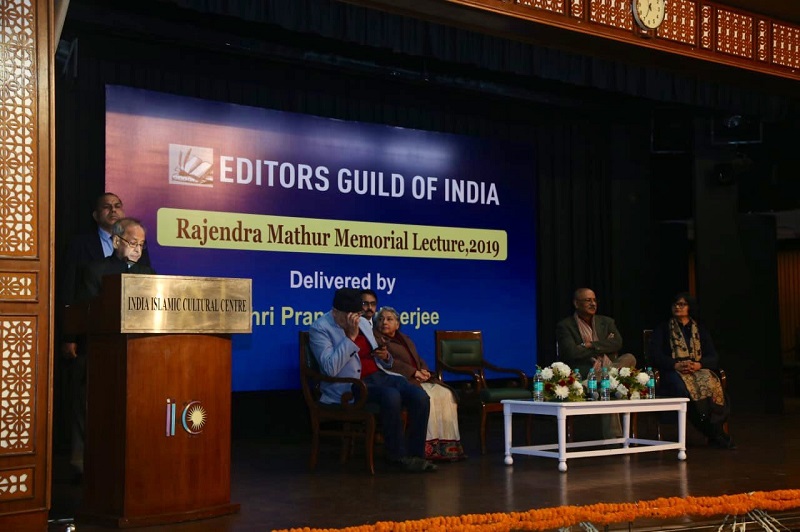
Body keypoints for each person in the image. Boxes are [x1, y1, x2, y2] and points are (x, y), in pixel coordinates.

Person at [58, 193, 151, 480]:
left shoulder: (147, 272)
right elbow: (79, 301)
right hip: (98, 347)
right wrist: (69, 334)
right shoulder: (93, 267)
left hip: (134, 350)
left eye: (140, 245)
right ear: (116, 242)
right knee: (86, 406)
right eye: (132, 244)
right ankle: (80, 464)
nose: (136, 249)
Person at [309, 288, 437, 473]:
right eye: (348, 316)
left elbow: (379, 356)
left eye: (357, 315)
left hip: (379, 375)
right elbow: (330, 368)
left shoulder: (363, 322)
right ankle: (397, 456)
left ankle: (416, 456)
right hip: (350, 385)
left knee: (420, 396)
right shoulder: (320, 328)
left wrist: (386, 357)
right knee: (391, 396)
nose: (354, 320)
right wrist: (351, 337)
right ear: (335, 312)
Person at [374, 306, 466, 462]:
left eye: (389, 319)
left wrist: (424, 370)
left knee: (445, 394)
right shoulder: (377, 340)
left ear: (397, 324)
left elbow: (417, 358)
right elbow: (389, 363)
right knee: (427, 396)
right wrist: (413, 372)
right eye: (381, 319)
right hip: (402, 380)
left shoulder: (405, 338)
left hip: (418, 377)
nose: (384, 322)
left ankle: (447, 448)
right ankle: (426, 448)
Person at [648, 292, 735, 449]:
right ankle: (715, 434)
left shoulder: (699, 329)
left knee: (711, 385)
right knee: (684, 390)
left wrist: (699, 365)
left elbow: (713, 356)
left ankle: (715, 432)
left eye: (682, 304)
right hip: (672, 370)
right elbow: (655, 356)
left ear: (689, 308)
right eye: (675, 304)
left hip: (697, 369)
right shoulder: (663, 328)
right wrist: (675, 364)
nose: (677, 307)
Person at [556, 287, 636, 438]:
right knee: (609, 389)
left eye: (594, 300)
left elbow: (617, 343)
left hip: (605, 370)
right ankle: (615, 439)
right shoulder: (565, 326)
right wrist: (603, 345)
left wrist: (590, 345)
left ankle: (604, 377)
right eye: (588, 300)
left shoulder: (606, 322)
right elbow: (571, 352)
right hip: (586, 372)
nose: (593, 303)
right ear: (576, 303)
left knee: (630, 357)